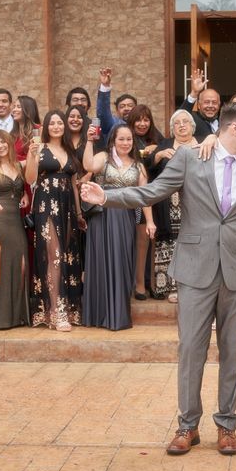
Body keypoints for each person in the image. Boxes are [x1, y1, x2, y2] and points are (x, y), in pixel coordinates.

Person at [81, 102, 236, 456]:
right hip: (195, 267)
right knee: (191, 349)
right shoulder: (190, 158)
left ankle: (227, 425)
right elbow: (152, 192)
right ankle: (187, 425)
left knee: (234, 353)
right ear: (235, 129)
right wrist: (107, 196)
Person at [81, 124, 154, 330]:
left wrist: (149, 221)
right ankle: (98, 315)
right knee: (100, 263)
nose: (125, 143)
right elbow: (88, 165)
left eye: (129, 139)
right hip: (102, 217)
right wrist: (89, 141)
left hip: (125, 218)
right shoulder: (104, 157)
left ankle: (118, 315)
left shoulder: (138, 166)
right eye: (121, 139)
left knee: (122, 263)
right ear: (113, 140)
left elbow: (145, 196)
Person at [25, 111, 84, 331]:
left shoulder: (70, 150)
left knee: (67, 256)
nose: (57, 126)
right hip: (46, 206)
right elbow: (30, 179)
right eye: (53, 123)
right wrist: (31, 155)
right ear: (47, 126)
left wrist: (78, 214)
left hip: (68, 207)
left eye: (60, 122)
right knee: (54, 256)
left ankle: (68, 308)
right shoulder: (39, 148)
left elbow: (75, 185)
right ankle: (55, 310)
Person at [145, 109, 198, 302]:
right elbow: (148, 170)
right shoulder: (164, 145)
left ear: (192, 126)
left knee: (193, 242)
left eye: (186, 122)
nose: (182, 125)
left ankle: (192, 286)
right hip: (168, 204)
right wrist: (158, 156)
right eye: (177, 123)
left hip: (194, 201)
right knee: (170, 244)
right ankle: (170, 287)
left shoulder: (202, 144)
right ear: (172, 128)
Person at [0, 130, 30, 330]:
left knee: (21, 264)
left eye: (4, 142)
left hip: (15, 219)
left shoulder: (19, 165)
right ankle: (3, 319)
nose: (1, 146)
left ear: (10, 144)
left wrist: (25, 195)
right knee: (4, 266)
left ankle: (20, 315)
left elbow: (30, 178)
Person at [127, 104, 163, 300]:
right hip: (136, 195)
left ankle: (154, 283)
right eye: (138, 120)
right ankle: (139, 284)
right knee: (141, 241)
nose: (142, 124)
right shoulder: (127, 140)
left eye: (146, 119)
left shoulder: (157, 138)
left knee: (153, 240)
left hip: (157, 196)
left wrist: (157, 149)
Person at [181, 68, 221, 139]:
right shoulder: (192, 119)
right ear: (199, 105)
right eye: (206, 102)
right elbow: (181, 114)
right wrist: (194, 93)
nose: (210, 106)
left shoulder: (224, 122)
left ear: (219, 105)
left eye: (214, 102)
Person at [11, 95, 40, 162]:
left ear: (28, 110)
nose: (14, 110)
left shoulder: (37, 131)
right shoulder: (12, 134)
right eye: (14, 106)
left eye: (18, 107)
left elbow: (37, 154)